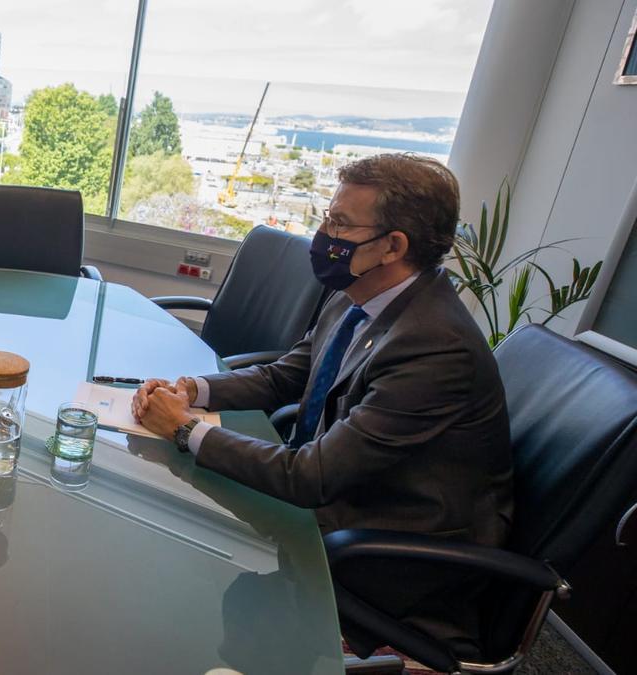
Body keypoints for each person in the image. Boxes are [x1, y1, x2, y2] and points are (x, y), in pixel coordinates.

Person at [133, 153, 513, 656]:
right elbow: (286, 374)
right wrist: (193, 392)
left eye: (339, 222)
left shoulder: (434, 346)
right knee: (168, 543)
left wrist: (186, 430)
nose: (323, 233)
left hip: (382, 552)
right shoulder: (358, 294)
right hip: (333, 503)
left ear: (392, 246)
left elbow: (310, 478)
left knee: (171, 581)